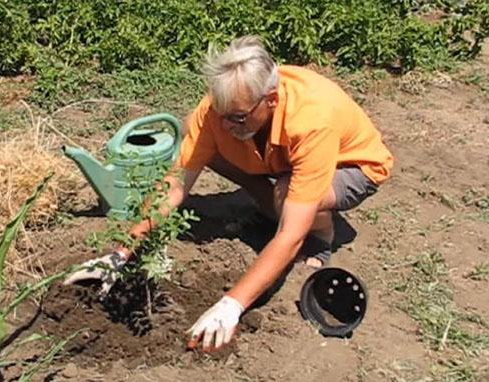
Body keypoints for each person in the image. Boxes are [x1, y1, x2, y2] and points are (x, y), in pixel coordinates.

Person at [64, 36, 394, 352]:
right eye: (222, 115)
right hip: (282, 157)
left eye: (237, 117)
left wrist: (231, 305)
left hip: (351, 165)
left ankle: (323, 234)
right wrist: (120, 253)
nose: (226, 126)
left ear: (271, 100)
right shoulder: (221, 113)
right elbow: (175, 184)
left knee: (287, 202)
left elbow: (291, 235)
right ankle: (271, 202)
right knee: (205, 135)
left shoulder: (311, 122)